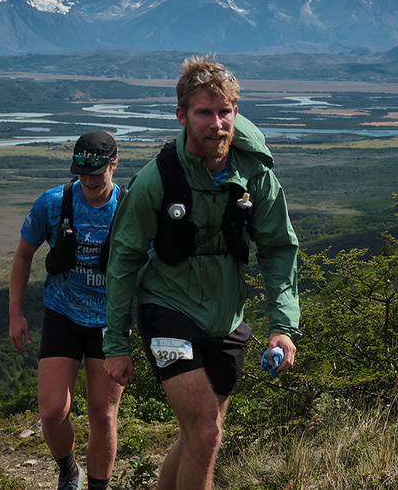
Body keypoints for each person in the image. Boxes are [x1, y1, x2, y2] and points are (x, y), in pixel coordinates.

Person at [103, 55, 301, 489]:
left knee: (199, 436)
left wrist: (283, 326)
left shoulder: (255, 175)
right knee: (208, 434)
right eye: (204, 112)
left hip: (228, 318)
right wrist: (116, 344)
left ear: (236, 111)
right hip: (168, 309)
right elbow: (123, 262)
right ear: (182, 116)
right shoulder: (156, 180)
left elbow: (278, 248)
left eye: (225, 111)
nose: (217, 123)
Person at [9, 131, 126, 490]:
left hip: (109, 320)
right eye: (82, 172)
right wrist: (16, 314)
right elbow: (23, 254)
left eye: (98, 172)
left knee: (103, 416)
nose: (89, 181)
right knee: (52, 412)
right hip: (62, 311)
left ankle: (98, 486)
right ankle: (67, 469)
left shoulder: (129, 207)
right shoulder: (54, 203)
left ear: (114, 165)